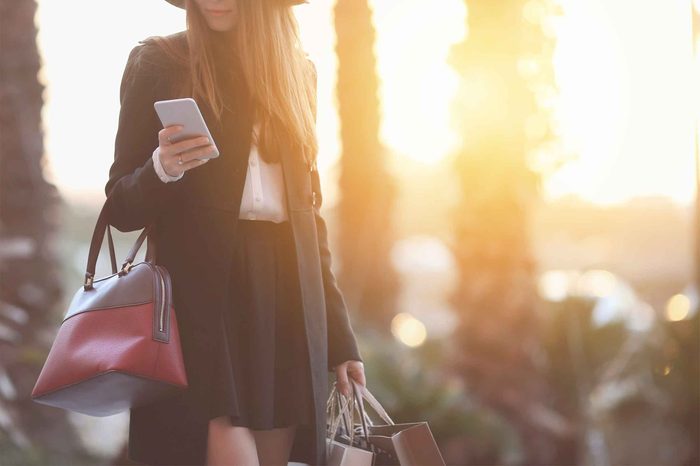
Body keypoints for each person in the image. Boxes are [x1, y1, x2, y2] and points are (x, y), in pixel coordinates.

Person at [103, 0, 366, 464]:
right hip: (201, 301)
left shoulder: (298, 72)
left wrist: (340, 338)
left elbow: (310, 217)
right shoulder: (161, 62)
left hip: (285, 298)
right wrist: (163, 167)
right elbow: (121, 206)